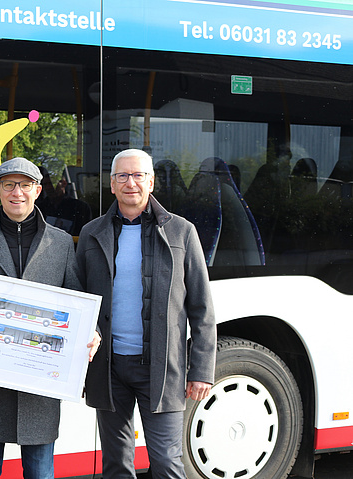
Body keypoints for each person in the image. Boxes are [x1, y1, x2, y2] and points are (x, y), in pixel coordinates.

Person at [0, 157, 100, 479]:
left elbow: (76, 300)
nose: (17, 192)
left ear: (38, 190)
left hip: (40, 380)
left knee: (40, 471)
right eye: (9, 185)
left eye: (25, 185)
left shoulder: (60, 242)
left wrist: (91, 330)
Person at [75, 148, 217, 478]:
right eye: (122, 176)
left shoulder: (182, 232)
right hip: (108, 368)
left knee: (167, 463)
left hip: (161, 368)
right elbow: (78, 299)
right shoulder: (92, 234)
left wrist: (201, 370)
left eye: (138, 175)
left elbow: (201, 307)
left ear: (151, 182)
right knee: (116, 464)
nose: (131, 183)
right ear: (111, 184)